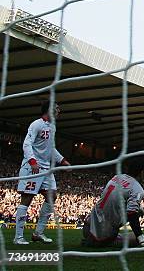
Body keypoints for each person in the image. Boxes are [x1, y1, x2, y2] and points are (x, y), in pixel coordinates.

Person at [14, 101, 70, 245]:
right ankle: (18, 237)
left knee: (52, 196)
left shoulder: (52, 127)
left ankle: (38, 233)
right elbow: (27, 144)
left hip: (46, 169)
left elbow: (51, 148)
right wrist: (32, 161)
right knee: (27, 199)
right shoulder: (36, 124)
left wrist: (62, 160)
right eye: (57, 108)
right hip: (33, 167)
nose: (59, 111)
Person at [82, 160, 144, 250]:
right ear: (142, 172)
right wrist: (142, 239)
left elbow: (114, 198)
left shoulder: (116, 177)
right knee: (135, 237)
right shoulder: (137, 188)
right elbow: (131, 214)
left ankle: (91, 239)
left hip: (87, 227)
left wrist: (139, 208)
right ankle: (97, 242)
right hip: (103, 235)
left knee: (132, 212)